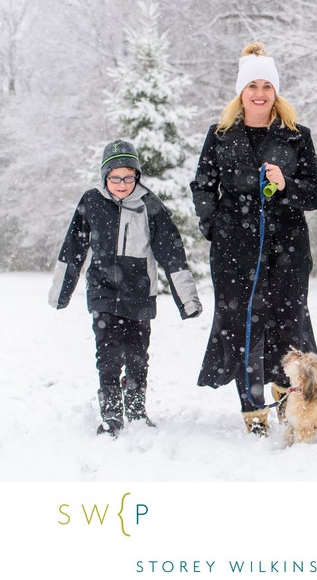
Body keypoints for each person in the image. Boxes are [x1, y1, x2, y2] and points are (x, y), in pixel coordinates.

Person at [190, 42, 317, 436]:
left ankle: (285, 403)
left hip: (288, 249)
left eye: (268, 86)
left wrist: (286, 186)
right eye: (253, 86)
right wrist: (215, 227)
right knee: (242, 325)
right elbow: (202, 187)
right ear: (241, 92)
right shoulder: (219, 136)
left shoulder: (297, 137)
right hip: (235, 250)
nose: (260, 93)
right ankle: (253, 413)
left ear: (276, 92)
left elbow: (316, 194)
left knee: (287, 325)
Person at [49, 139, 202, 437]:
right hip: (102, 291)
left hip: (139, 294)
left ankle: (135, 407)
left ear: (137, 176)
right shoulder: (91, 201)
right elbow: (73, 249)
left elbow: (172, 254)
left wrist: (188, 301)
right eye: (115, 177)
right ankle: (111, 413)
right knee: (107, 355)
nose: (121, 184)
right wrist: (60, 294)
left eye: (128, 177)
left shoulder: (150, 206)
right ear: (105, 177)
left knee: (136, 355)